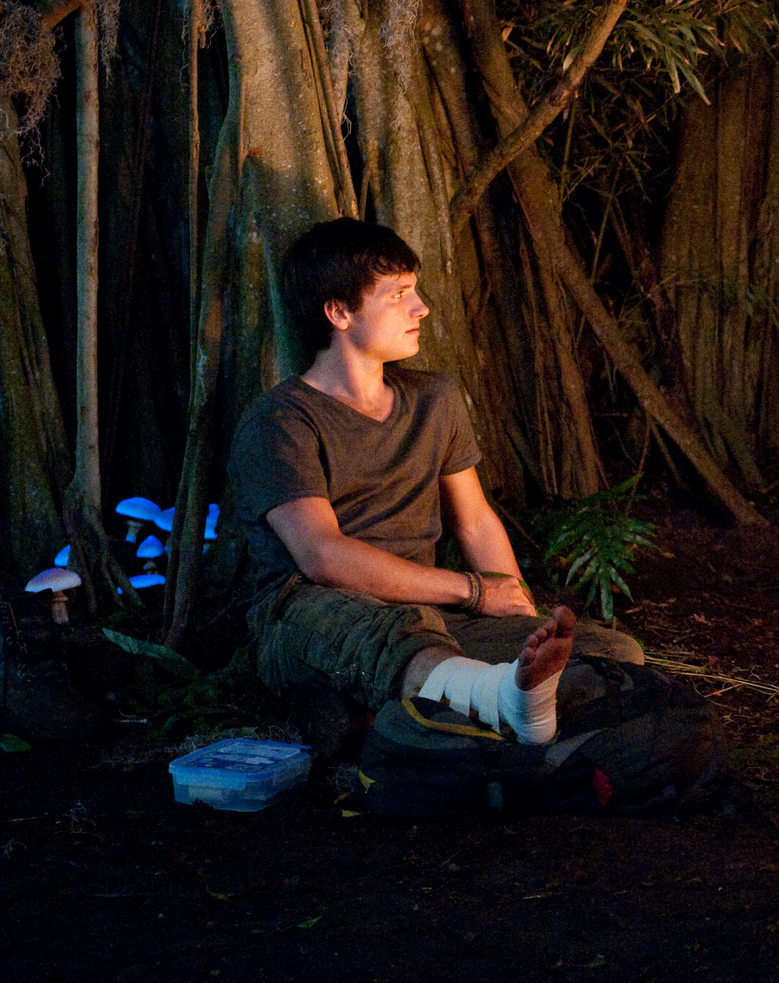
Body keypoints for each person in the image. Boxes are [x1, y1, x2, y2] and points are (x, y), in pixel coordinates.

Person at [230, 218, 644, 745]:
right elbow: (323, 557)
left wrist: (520, 615)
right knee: (383, 633)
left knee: (616, 655)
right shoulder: (282, 420)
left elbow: (474, 521)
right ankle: (485, 704)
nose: (420, 307)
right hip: (311, 612)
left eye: (416, 290)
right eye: (399, 294)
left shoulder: (434, 400)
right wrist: (474, 591)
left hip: (427, 616)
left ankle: (443, 706)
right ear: (339, 312)